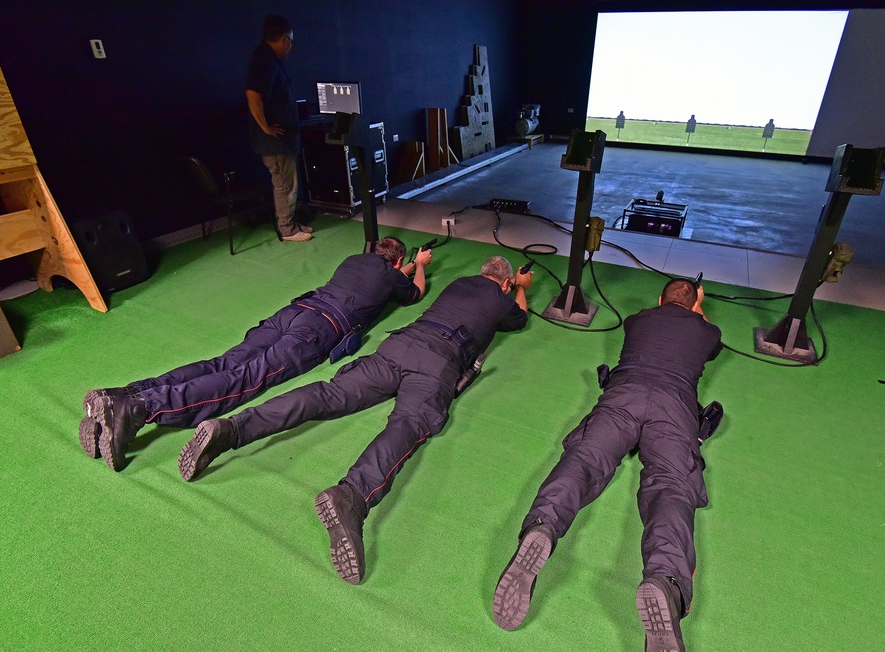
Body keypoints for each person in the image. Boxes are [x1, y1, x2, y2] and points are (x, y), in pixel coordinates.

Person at [179, 256, 534, 585]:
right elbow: (519, 318)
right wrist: (520, 287)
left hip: (397, 346)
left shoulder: (459, 283)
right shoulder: (500, 296)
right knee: (408, 424)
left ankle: (232, 428)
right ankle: (352, 497)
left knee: (327, 394)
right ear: (501, 283)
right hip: (438, 360)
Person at [492, 278, 723, 652]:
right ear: (696, 304)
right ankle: (666, 581)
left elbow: (668, 314)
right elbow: (706, 337)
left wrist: (683, 305)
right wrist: (698, 308)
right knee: (670, 485)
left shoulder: (638, 319)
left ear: (657, 299)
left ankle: (543, 526)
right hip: (674, 407)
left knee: (584, 460)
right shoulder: (708, 330)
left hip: (623, 395)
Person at [81, 237, 432, 472]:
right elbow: (414, 293)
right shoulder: (393, 276)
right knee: (245, 379)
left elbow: (380, 276)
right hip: (316, 329)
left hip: (295, 310)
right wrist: (419, 265)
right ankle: (142, 409)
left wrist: (399, 266)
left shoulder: (356, 260)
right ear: (398, 260)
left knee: (223, 363)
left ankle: (123, 395)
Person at [246, 14, 308, 241]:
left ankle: (291, 223)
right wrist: (266, 128)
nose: (290, 48)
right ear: (284, 39)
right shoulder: (264, 60)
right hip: (276, 142)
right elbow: (253, 96)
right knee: (284, 185)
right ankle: (288, 230)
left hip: (282, 141)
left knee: (288, 184)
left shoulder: (269, 59)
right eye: (290, 42)